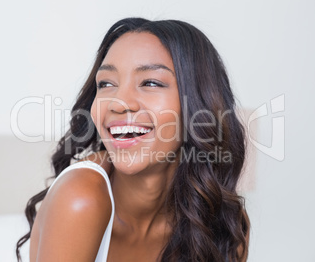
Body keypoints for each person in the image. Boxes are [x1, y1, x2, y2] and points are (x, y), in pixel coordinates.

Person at [16, 17, 250, 262]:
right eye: (106, 84)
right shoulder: (80, 198)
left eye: (150, 82)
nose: (119, 102)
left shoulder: (224, 221)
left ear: (200, 107)